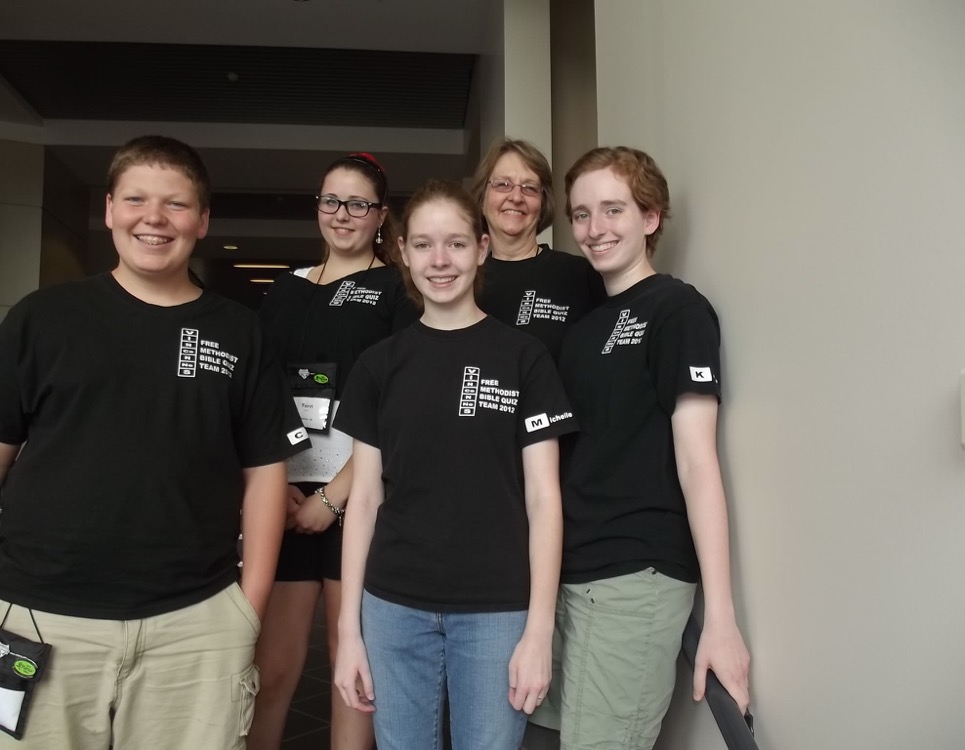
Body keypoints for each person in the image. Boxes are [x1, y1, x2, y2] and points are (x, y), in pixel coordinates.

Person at [0, 135, 307, 750]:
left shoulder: (240, 332)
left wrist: (246, 611)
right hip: (43, 616)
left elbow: (265, 476)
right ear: (110, 209)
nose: (154, 218)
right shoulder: (42, 318)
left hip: (195, 623)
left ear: (202, 220)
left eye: (176, 203)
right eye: (136, 199)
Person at [331, 181, 577, 750]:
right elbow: (363, 500)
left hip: (497, 609)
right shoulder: (379, 365)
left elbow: (544, 499)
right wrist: (349, 632)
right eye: (423, 245)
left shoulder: (525, 358)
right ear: (403, 252)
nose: (439, 260)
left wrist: (539, 631)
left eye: (456, 244)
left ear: (482, 248)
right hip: (393, 607)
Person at [529, 147, 751, 750]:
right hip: (570, 574)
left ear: (650, 217)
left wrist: (722, 619)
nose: (594, 228)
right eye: (581, 214)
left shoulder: (678, 310)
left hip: (635, 577)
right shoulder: (582, 331)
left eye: (613, 209)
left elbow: (698, 462)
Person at [249, 153, 416, 750]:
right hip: (285, 497)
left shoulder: (396, 289)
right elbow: (259, 395)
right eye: (330, 201)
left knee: (350, 665)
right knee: (271, 666)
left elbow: (401, 406)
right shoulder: (283, 289)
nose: (341, 214)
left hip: (358, 495)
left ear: (381, 214)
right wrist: (277, 489)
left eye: (358, 204)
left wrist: (333, 497)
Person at [471, 139, 605, 360]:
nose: (516, 197)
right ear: (482, 199)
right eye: (503, 184)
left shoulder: (579, 274)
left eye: (529, 188)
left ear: (543, 203)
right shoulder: (465, 281)